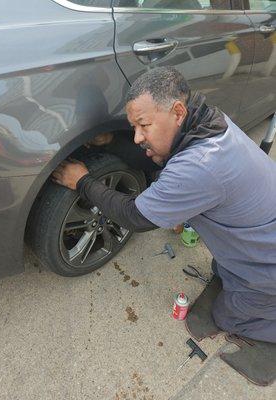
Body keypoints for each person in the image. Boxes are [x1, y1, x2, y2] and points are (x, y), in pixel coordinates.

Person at [52, 67, 276, 343]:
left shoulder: (200, 165)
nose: (137, 136)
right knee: (222, 274)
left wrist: (82, 181)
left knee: (228, 318)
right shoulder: (211, 123)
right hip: (261, 243)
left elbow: (135, 216)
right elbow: (159, 158)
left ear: (178, 112)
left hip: (268, 266)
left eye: (144, 125)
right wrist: (111, 141)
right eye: (134, 127)